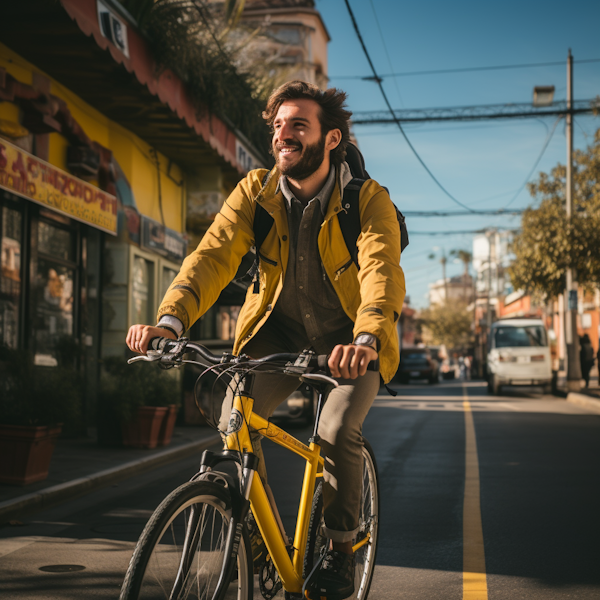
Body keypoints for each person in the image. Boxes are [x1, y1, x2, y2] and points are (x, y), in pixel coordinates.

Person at [126, 80, 405, 599]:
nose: (284, 134)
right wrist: (170, 322)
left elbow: (380, 272)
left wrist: (367, 337)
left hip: (350, 340)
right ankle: (254, 535)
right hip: (276, 332)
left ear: (331, 139)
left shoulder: (365, 201)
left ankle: (341, 549)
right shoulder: (255, 191)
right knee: (235, 416)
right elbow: (211, 257)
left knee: (336, 428)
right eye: (278, 125)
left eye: (298, 125)